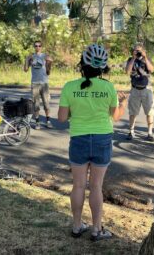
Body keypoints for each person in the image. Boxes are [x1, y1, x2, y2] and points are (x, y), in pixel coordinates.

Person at [58, 44, 127, 241]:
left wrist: (76, 108)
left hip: (78, 138)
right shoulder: (109, 87)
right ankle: (97, 229)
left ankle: (77, 226)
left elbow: (62, 118)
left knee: (78, 185)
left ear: (82, 63)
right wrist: (123, 104)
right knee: (96, 186)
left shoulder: (69, 87)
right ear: (102, 68)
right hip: (102, 139)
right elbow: (115, 117)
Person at [125, 42, 154, 141]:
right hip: (135, 89)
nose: (138, 52)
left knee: (149, 112)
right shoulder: (131, 60)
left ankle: (150, 133)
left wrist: (145, 57)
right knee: (133, 112)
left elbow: (151, 70)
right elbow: (127, 71)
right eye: (136, 50)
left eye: (139, 50)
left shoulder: (147, 59)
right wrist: (134, 58)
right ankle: (131, 131)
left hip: (147, 89)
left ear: (143, 51)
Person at [24, 40, 53, 130]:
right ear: (34, 47)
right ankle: (37, 122)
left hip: (44, 83)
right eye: (36, 46)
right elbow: (25, 69)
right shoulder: (31, 56)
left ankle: (48, 121)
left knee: (46, 104)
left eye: (39, 46)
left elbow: (48, 72)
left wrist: (49, 63)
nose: (37, 47)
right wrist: (26, 60)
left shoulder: (45, 56)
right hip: (35, 83)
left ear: (41, 47)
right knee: (36, 104)